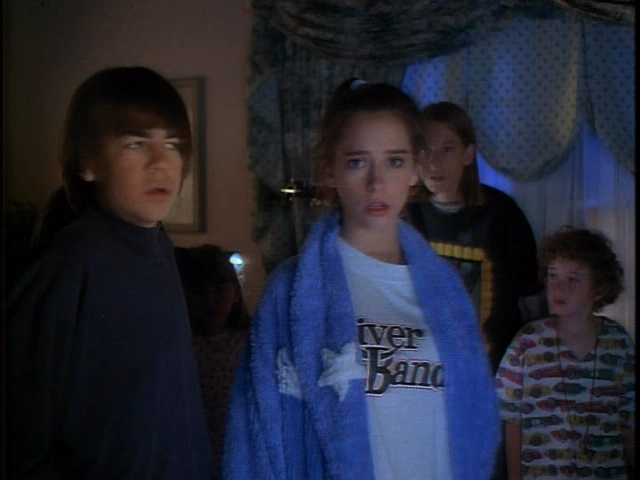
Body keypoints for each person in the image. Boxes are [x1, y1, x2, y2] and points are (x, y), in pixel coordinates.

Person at [222, 79, 501, 479]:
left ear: (416, 169)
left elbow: (473, 421)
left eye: (394, 161)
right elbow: (259, 434)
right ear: (330, 170)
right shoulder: (291, 289)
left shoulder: (448, 293)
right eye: (357, 162)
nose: (376, 183)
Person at [6, 66, 214, 479]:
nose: (161, 162)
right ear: (88, 163)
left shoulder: (159, 247)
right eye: (136, 144)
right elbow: (21, 434)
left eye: (172, 145)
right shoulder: (74, 260)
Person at [405, 101, 543, 373]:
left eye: (447, 149)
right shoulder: (405, 213)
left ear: (468, 154)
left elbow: (534, 302)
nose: (434, 162)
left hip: (495, 369)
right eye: (425, 149)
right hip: (424, 368)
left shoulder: (501, 214)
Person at [496, 226, 635, 479]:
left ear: (599, 287)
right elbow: (512, 422)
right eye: (553, 275)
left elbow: (628, 421)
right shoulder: (527, 343)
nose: (559, 287)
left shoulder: (618, 343)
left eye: (573, 278)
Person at [175, 244, 251, 479]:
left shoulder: (249, 342)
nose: (210, 301)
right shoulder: (179, 345)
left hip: (239, 453)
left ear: (235, 293)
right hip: (189, 454)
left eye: (219, 290)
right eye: (199, 292)